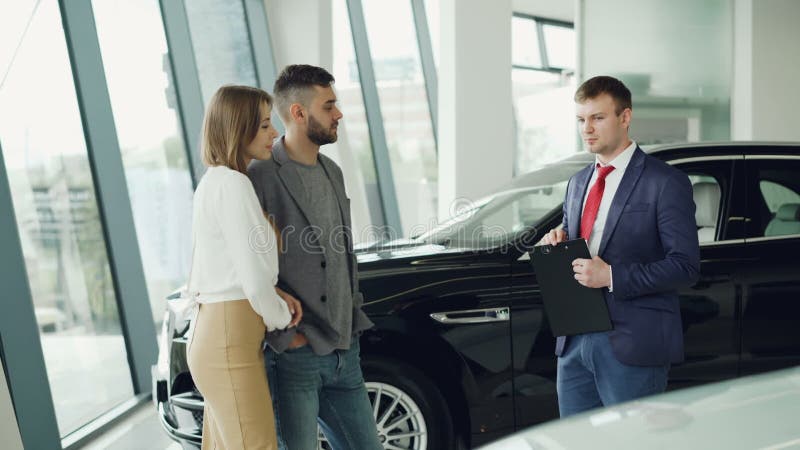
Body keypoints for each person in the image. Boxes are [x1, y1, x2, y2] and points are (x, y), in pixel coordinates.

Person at [541, 76, 700, 417]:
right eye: (581, 120)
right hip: (574, 341)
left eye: (598, 118)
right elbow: (578, 238)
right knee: (576, 443)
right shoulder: (578, 182)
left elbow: (685, 266)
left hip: (633, 343)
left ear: (625, 117)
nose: (587, 129)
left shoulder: (665, 182)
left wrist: (612, 275)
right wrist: (559, 241)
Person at [248, 65, 382, 450]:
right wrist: (287, 337)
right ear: (299, 113)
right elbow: (247, 262)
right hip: (296, 357)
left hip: (345, 351)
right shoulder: (261, 176)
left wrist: (352, 320)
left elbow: (344, 254)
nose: (338, 113)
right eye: (329, 106)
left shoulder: (333, 171)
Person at [186, 85, 303, 450]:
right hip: (229, 337)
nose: (275, 134)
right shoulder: (234, 185)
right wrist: (282, 317)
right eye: (265, 125)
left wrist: (275, 292)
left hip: (216, 331)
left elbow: (222, 270)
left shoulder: (214, 182)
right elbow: (251, 282)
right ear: (239, 128)